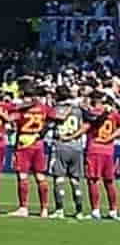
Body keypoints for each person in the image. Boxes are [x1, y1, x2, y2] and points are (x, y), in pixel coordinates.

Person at [10, 86, 57, 218]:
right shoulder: (44, 108)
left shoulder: (22, 110)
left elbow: (13, 120)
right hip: (38, 142)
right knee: (40, 176)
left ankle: (23, 207)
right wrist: (42, 133)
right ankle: (44, 209)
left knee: (23, 176)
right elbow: (53, 119)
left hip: (24, 141)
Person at [50, 85, 88, 219]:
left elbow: (52, 122)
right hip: (76, 147)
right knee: (75, 180)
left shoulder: (55, 109)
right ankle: (79, 211)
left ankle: (59, 210)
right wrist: (74, 136)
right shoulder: (78, 110)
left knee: (59, 178)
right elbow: (86, 125)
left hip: (60, 145)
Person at [82, 90, 120, 220]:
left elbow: (88, 124)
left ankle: (95, 210)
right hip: (109, 150)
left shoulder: (92, 113)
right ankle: (113, 211)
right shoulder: (113, 114)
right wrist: (110, 138)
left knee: (93, 181)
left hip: (94, 149)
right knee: (110, 182)